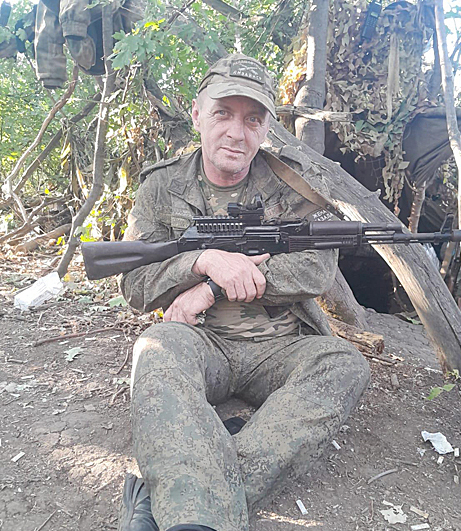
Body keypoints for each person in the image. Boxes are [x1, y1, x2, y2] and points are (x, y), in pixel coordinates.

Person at [118, 53, 370, 531]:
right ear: (197, 115)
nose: (237, 132)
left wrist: (212, 287)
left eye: (253, 119)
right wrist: (201, 261)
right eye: (223, 114)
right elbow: (133, 282)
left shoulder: (291, 184)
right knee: (155, 348)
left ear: (266, 128)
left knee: (344, 364)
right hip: (200, 342)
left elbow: (315, 270)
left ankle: (178, 503)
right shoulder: (161, 186)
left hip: (280, 348)